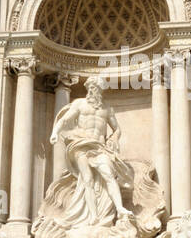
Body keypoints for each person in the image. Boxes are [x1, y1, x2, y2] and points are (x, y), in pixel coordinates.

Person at [48, 76, 132, 225]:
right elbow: (64, 120)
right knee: (88, 179)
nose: (95, 91)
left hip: (99, 147)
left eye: (98, 88)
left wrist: (114, 138)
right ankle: (93, 216)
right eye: (93, 88)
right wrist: (55, 132)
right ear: (88, 89)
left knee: (109, 175)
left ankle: (120, 209)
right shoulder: (79, 104)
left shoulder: (107, 109)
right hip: (80, 145)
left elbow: (117, 129)